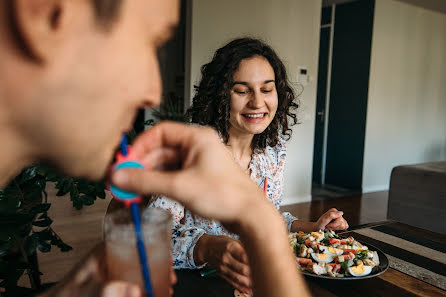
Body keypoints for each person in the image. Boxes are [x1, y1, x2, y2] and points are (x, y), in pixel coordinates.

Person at [0, 1, 310, 297]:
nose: (153, 93)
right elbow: (142, 237)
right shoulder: (197, 151)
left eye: (267, 89)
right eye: (145, 43)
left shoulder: (273, 151)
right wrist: (215, 243)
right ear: (43, 13)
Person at [149, 38, 349, 294]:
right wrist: (208, 247)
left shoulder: (273, 151)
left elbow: (267, 218)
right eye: (242, 91)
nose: (257, 102)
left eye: (266, 90)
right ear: (220, 95)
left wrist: (313, 227)